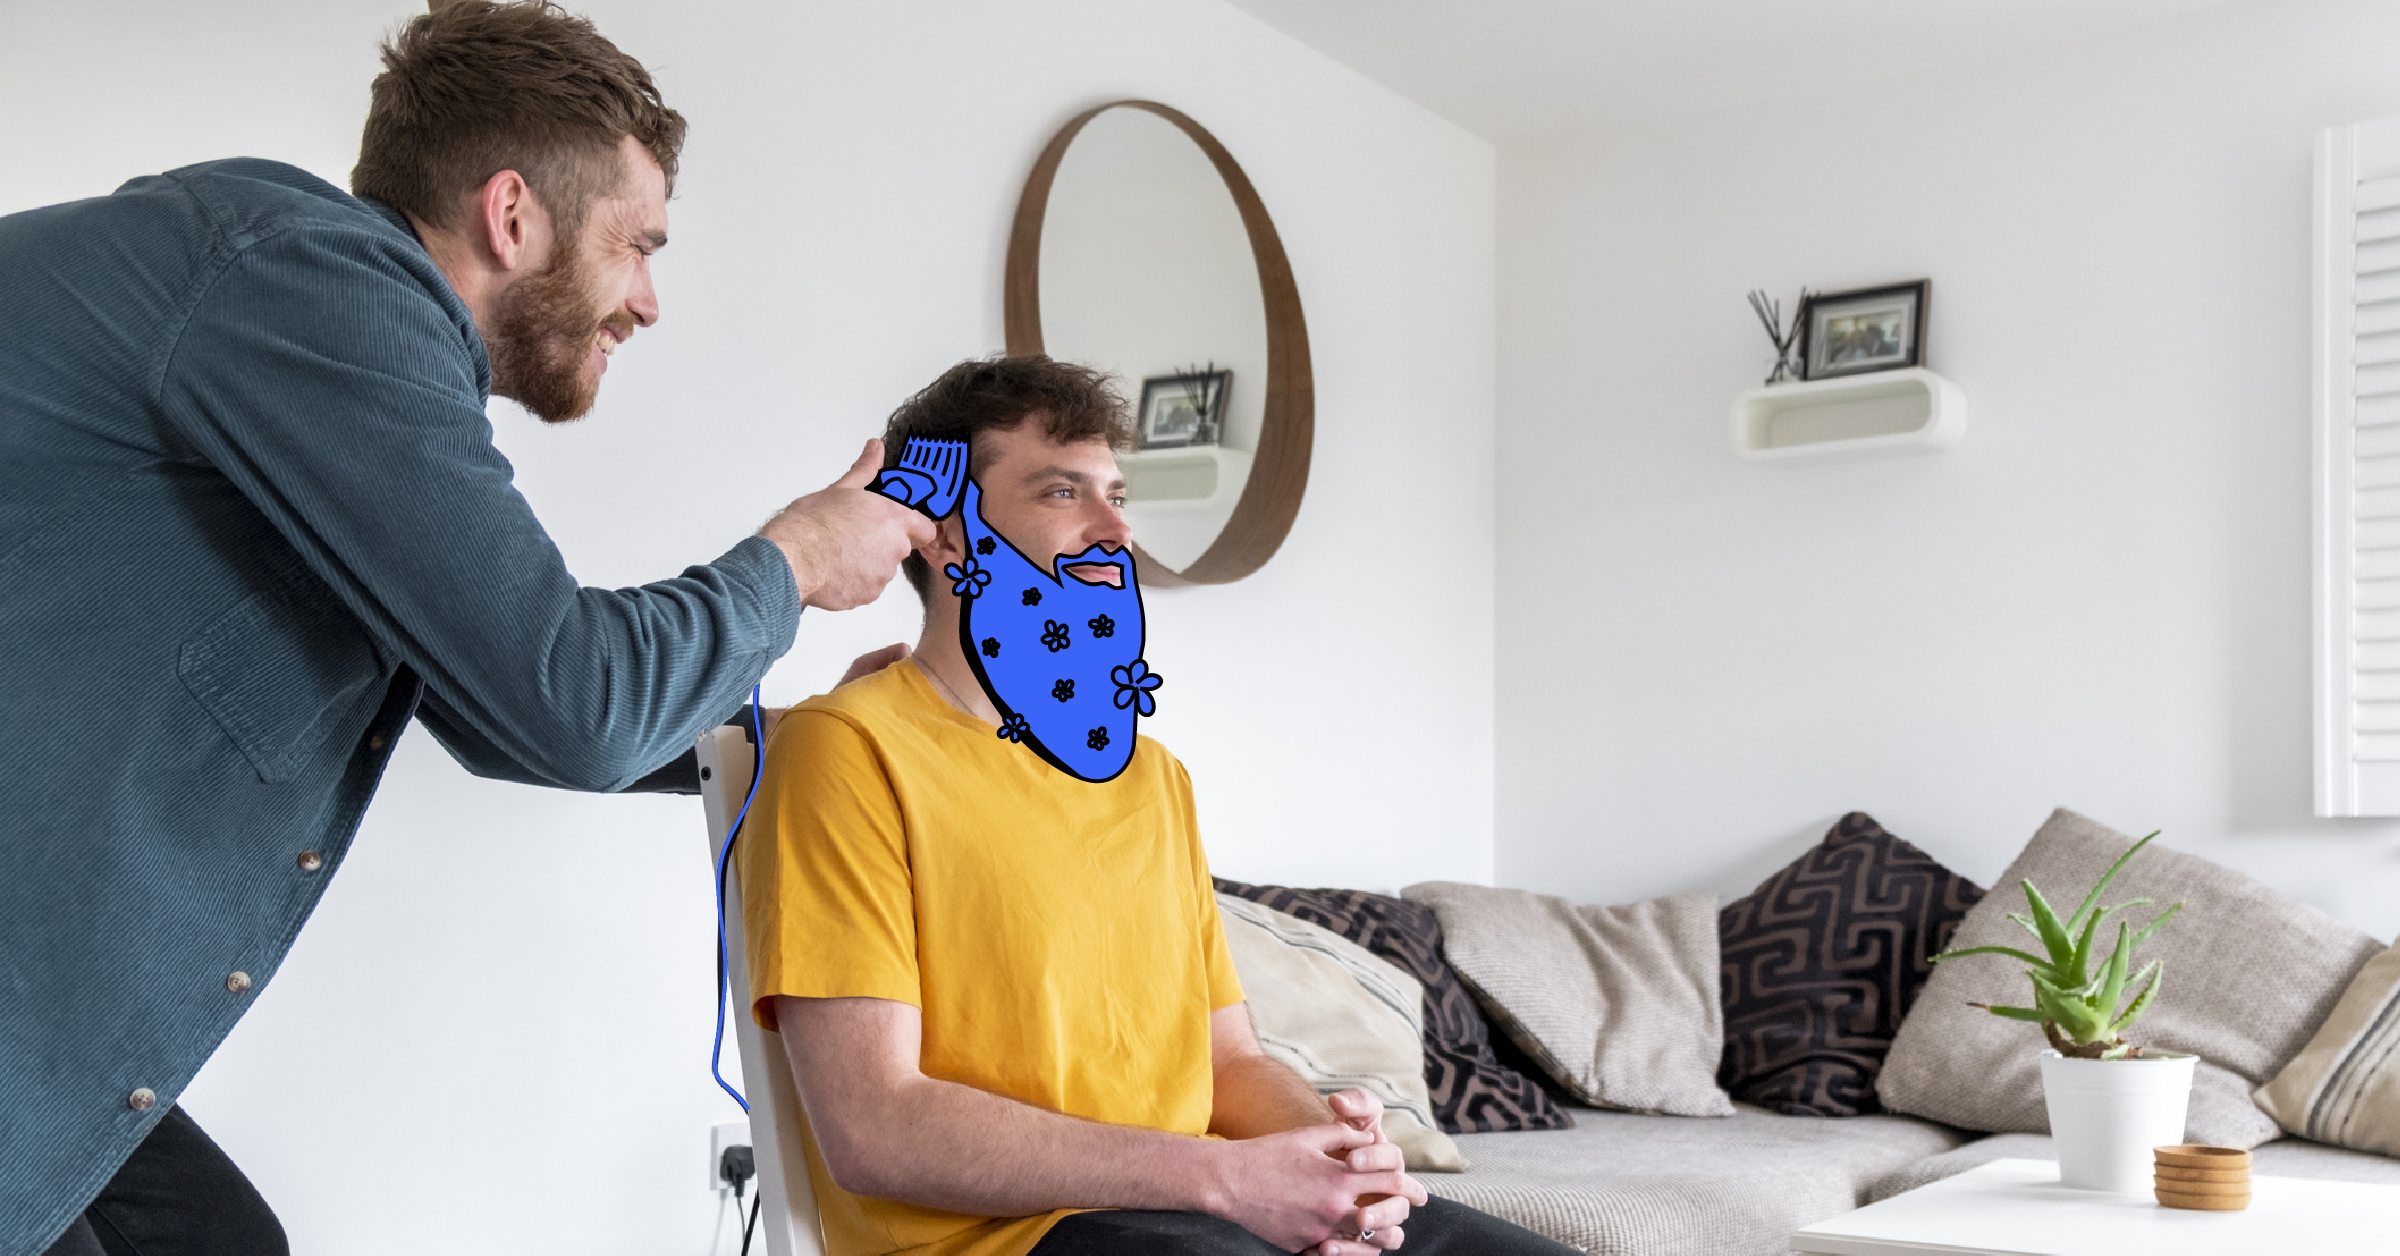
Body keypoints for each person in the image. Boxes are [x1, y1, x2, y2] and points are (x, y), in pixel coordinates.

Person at [0, 5, 930, 1254]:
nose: (649, 299)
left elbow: (496, 693)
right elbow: (564, 698)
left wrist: (807, 737)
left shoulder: (293, 322)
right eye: (637, 244)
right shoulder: (314, 284)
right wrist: (800, 556)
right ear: (512, 214)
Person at [737, 357, 1577, 1256]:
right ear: (945, 534)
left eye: (1118, 494)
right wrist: (1225, 1179)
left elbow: (1231, 1064)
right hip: (1010, 1241)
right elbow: (876, 1125)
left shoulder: (1153, 777)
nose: (1118, 528)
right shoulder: (847, 750)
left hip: (1199, 1214)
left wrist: (1329, 1158)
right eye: (1064, 493)